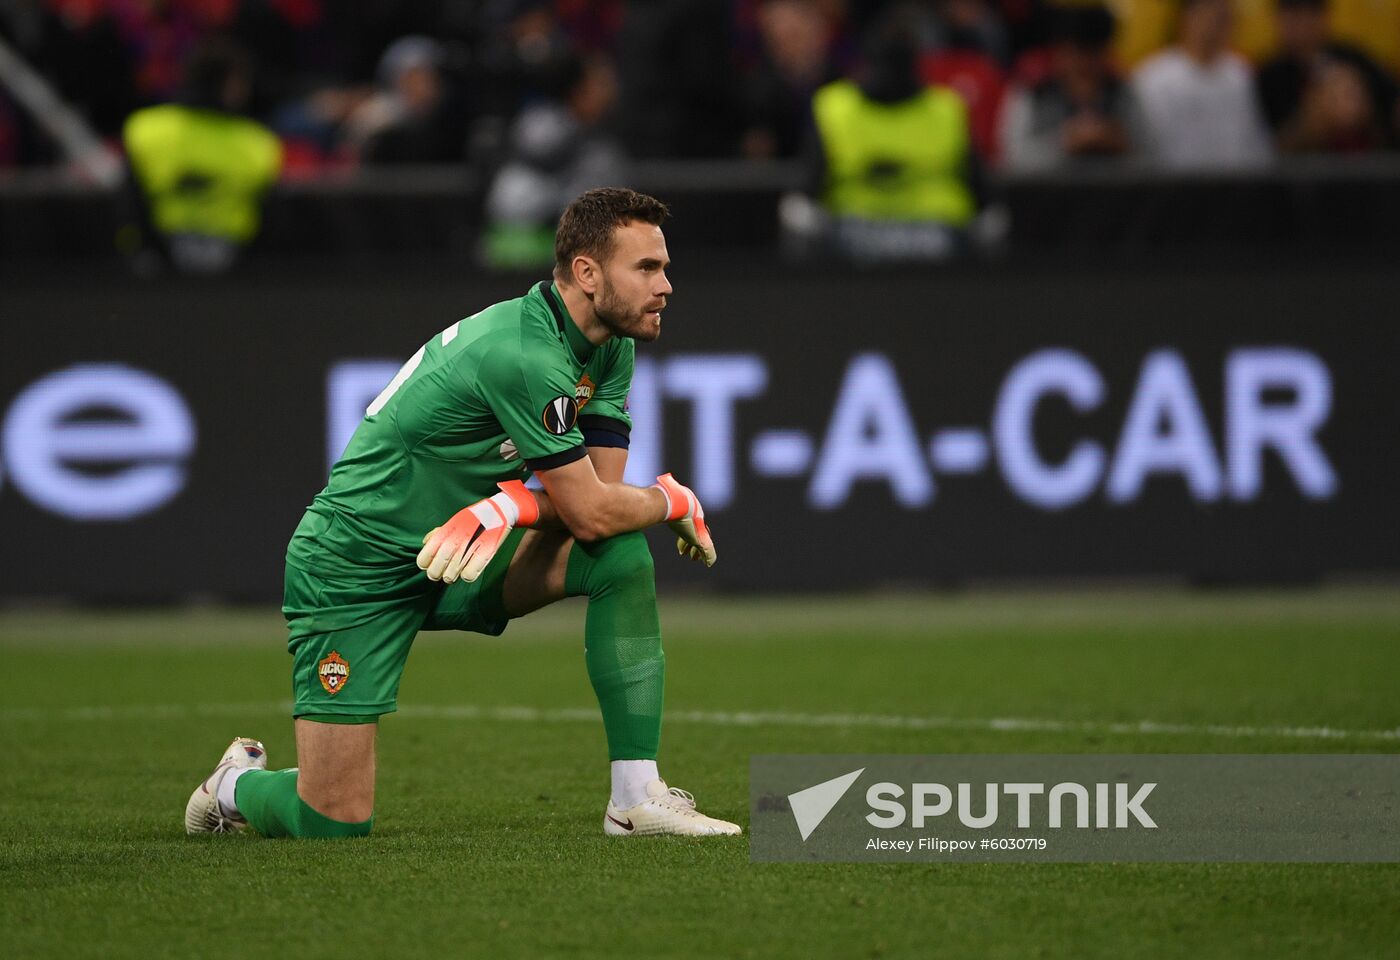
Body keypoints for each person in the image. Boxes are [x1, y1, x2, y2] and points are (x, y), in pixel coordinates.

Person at [184, 188, 741, 840]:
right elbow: (589, 508)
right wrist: (673, 499)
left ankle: (635, 798)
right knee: (331, 821)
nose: (666, 285)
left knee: (618, 556)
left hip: (468, 553)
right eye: (646, 268)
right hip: (355, 562)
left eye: (664, 266)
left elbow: (597, 507)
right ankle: (233, 786)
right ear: (587, 274)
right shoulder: (523, 353)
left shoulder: (610, 345)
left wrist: (509, 504)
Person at [123, 39, 281, 274]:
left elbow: (130, 207)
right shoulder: (258, 143)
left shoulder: (145, 129)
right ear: (232, 84)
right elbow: (269, 221)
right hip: (235, 272)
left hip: (156, 270)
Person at [1130, 0, 1273, 170]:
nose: (1214, 23)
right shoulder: (1153, 77)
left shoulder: (1240, 74)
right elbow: (1147, 145)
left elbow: (1253, 139)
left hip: (1234, 185)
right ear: (1187, 17)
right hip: (1174, 186)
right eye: (1209, 13)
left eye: (1222, 17)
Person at [999, 5, 1138, 171]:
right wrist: (1064, 142)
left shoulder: (1122, 93)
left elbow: (1156, 161)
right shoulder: (1034, 92)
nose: (1084, 64)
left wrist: (1120, 144)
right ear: (1058, 52)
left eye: (1092, 53)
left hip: (1115, 194)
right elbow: (1009, 159)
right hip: (1046, 195)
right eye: (1075, 53)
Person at [1255, 0, 1397, 153]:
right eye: (1295, 15)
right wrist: (1314, 116)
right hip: (1298, 172)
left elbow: (1392, 103)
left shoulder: (1351, 58)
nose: (1304, 25)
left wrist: (1365, 107)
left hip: (1368, 166)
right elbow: (1267, 148)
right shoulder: (1270, 76)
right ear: (1279, 19)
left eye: (1312, 14)